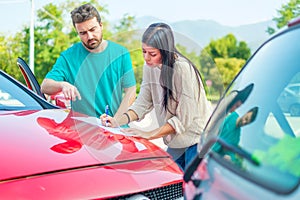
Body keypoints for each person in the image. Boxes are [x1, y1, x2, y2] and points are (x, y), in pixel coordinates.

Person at [101, 22, 212, 170]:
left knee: (190, 189)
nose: (146, 58)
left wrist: (148, 134)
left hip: (197, 142)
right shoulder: (150, 68)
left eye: (152, 54)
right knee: (170, 182)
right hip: (176, 143)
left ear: (165, 51)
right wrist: (117, 121)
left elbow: (182, 120)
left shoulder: (183, 69)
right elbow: (143, 102)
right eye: (143, 51)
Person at [40, 3, 136, 118]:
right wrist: (62, 85)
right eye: (83, 33)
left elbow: (130, 91)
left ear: (101, 25)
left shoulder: (121, 53)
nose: (89, 36)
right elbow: (45, 86)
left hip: (115, 129)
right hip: (83, 129)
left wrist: (116, 120)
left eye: (92, 29)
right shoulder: (68, 57)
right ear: (77, 33)